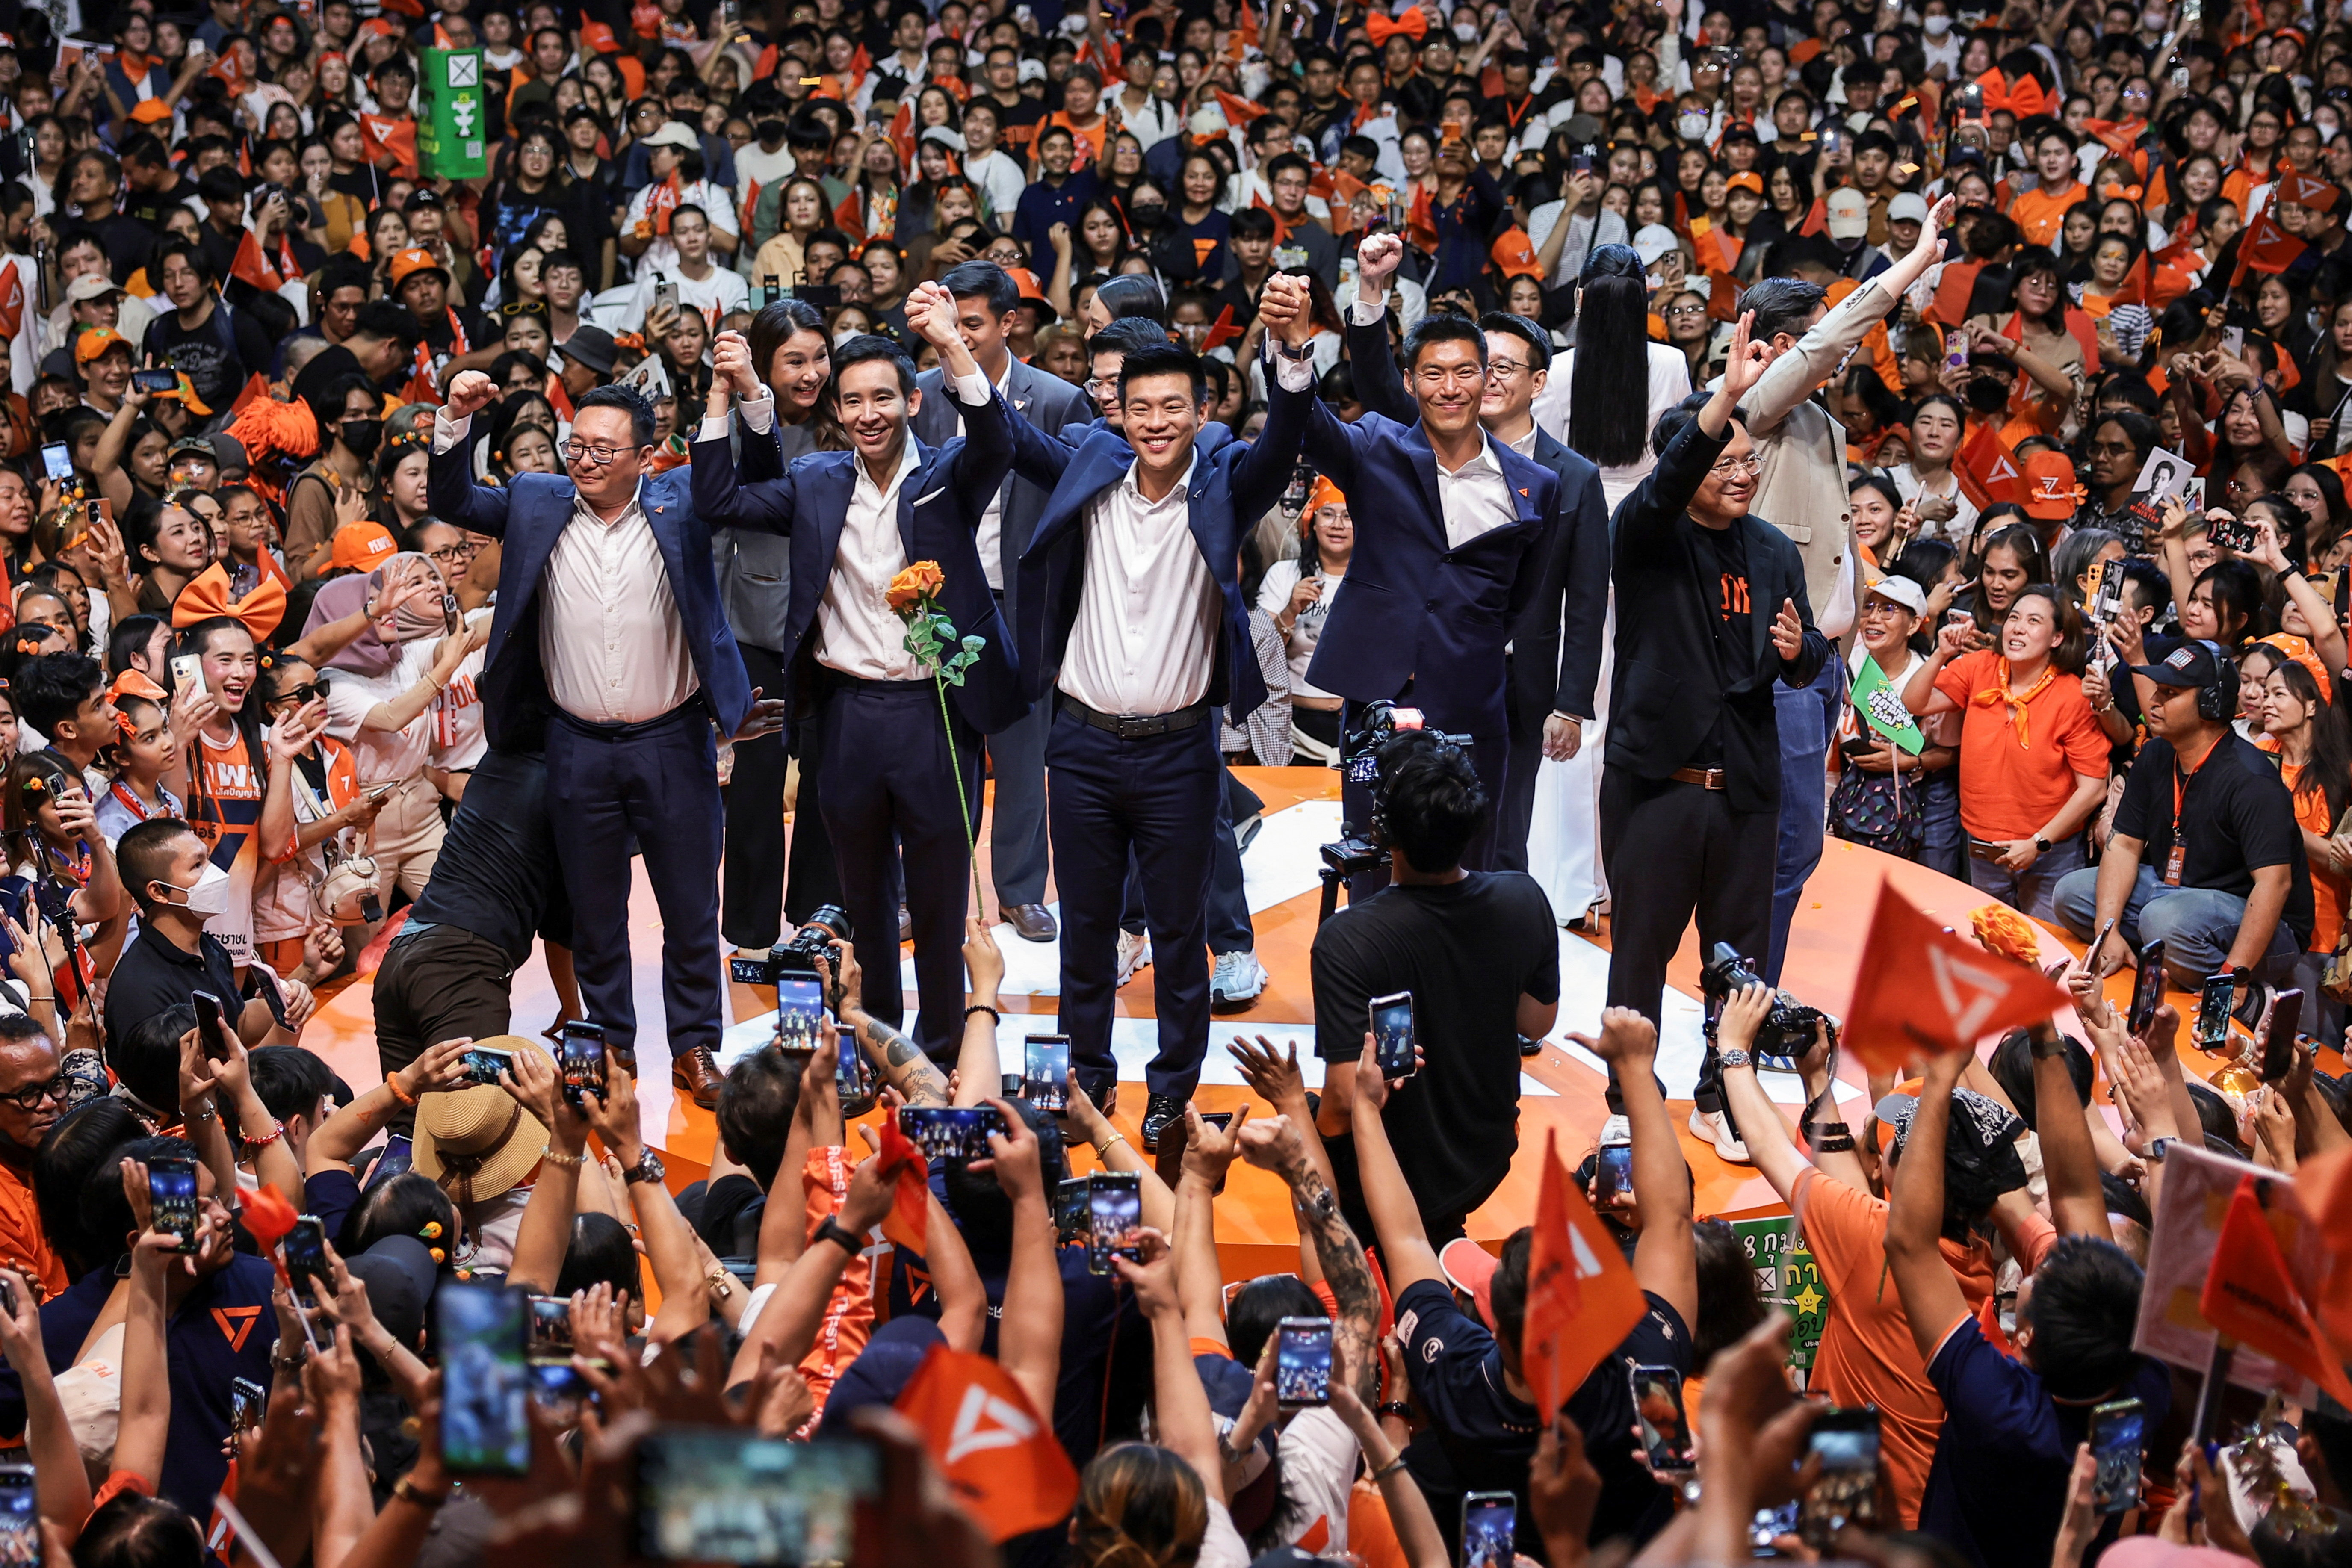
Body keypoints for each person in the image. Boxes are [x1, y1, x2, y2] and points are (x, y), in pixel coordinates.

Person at [1003, 299, 1311, 1147]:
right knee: (1086, 932)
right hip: (1081, 742)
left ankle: (1173, 1090)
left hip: (1179, 750)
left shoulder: (1223, 485)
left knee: (1178, 937)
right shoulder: (1089, 471)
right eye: (1139, 406)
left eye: (1174, 405)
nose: (1156, 421)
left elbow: (1284, 439)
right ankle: (1084, 1082)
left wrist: (1290, 351)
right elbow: (1010, 436)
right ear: (1118, 411)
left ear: (1202, 412)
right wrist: (958, 348)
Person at [426, 371, 774, 1104]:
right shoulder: (536, 499)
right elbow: (453, 500)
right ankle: (612, 1040)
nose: (583, 460)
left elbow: (753, 479)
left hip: (672, 739)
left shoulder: (685, 501)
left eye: (603, 450)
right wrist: (454, 419)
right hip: (575, 741)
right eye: (576, 445)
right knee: (593, 908)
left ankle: (695, 1045)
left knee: (689, 906)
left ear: (644, 457)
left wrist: (741, 395)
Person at [690, 284, 1016, 1066]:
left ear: (912, 400)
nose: (869, 414)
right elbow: (718, 496)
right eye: (854, 401)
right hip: (844, 714)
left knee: (937, 903)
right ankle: (878, 1049)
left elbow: (997, 439)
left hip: (934, 711)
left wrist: (950, 343)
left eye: (883, 398)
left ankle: (944, 1052)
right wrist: (721, 394)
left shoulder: (949, 475)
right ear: (836, 410)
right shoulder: (817, 480)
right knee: (864, 902)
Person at [1265, 233, 1593, 896]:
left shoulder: (1537, 485)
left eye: (1467, 372)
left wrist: (1463, 638)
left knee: (1472, 861)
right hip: (1376, 700)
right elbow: (1309, 427)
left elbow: (1522, 598)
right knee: (1369, 850)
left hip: (1474, 703)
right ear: (1410, 382)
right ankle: (1374, 961)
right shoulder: (1377, 446)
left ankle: (1461, 968)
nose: (1451, 388)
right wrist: (1295, 352)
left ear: (1489, 379)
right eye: (1434, 374)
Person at [1601, 314, 1829, 1163]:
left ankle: (1719, 1098)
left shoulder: (1770, 549)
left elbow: (1812, 650)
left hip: (1745, 785)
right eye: (1724, 461)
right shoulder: (1646, 533)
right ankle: (1627, 1101)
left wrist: (1798, 651)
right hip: (1658, 784)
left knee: (1740, 963)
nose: (1743, 474)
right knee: (1640, 952)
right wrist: (1728, 394)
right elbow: (1666, 485)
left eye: (1748, 461)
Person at [1734, 195, 1956, 981]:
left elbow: (1837, 560)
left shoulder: (1822, 423)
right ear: (1783, 346)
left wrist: (1858, 663)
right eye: (1821, 335)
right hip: (1780, 662)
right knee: (1786, 843)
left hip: (1828, 661)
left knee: (1794, 844)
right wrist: (1915, 263)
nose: (1842, 348)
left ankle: (1755, 989)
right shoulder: (1752, 404)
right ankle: (1747, 996)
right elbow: (1832, 339)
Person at [1309, 729, 1559, 1242]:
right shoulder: (1523, 898)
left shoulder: (1345, 940)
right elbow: (1537, 1022)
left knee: (1307, 1115)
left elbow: (1342, 1102)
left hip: (1386, 1172)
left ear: (1382, 830)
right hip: (1485, 1153)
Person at [908, 261, 1090, 946]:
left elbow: (1074, 506)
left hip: (1024, 597)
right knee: (935, 755)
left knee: (1021, 754)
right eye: (948, 323)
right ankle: (927, 889)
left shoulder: (1059, 399)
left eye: (971, 325)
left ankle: (1019, 890)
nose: (955, 336)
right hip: (939, 595)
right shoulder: (920, 393)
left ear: (1010, 323)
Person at [2063, 638, 2314, 995]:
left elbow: (2274, 886)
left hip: (2267, 925)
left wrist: (2233, 980)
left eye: (2170, 693)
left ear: (2211, 703)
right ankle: (2151, 953)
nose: (2154, 700)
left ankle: (2247, 996)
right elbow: (2124, 846)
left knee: (2163, 920)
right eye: (2158, 689)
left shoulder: (2251, 778)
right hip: (2177, 894)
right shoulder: (2156, 755)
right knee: (2071, 893)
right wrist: (2109, 930)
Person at [1898, 586, 2111, 918]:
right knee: (1990, 938)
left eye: (2034, 621)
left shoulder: (2073, 695)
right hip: (1984, 843)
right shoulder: (1979, 667)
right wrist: (1941, 655)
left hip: (2050, 849)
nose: (2019, 628)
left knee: (2046, 944)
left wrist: (2039, 842)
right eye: (2014, 618)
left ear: (2057, 638)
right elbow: (1915, 703)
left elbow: (2094, 788)